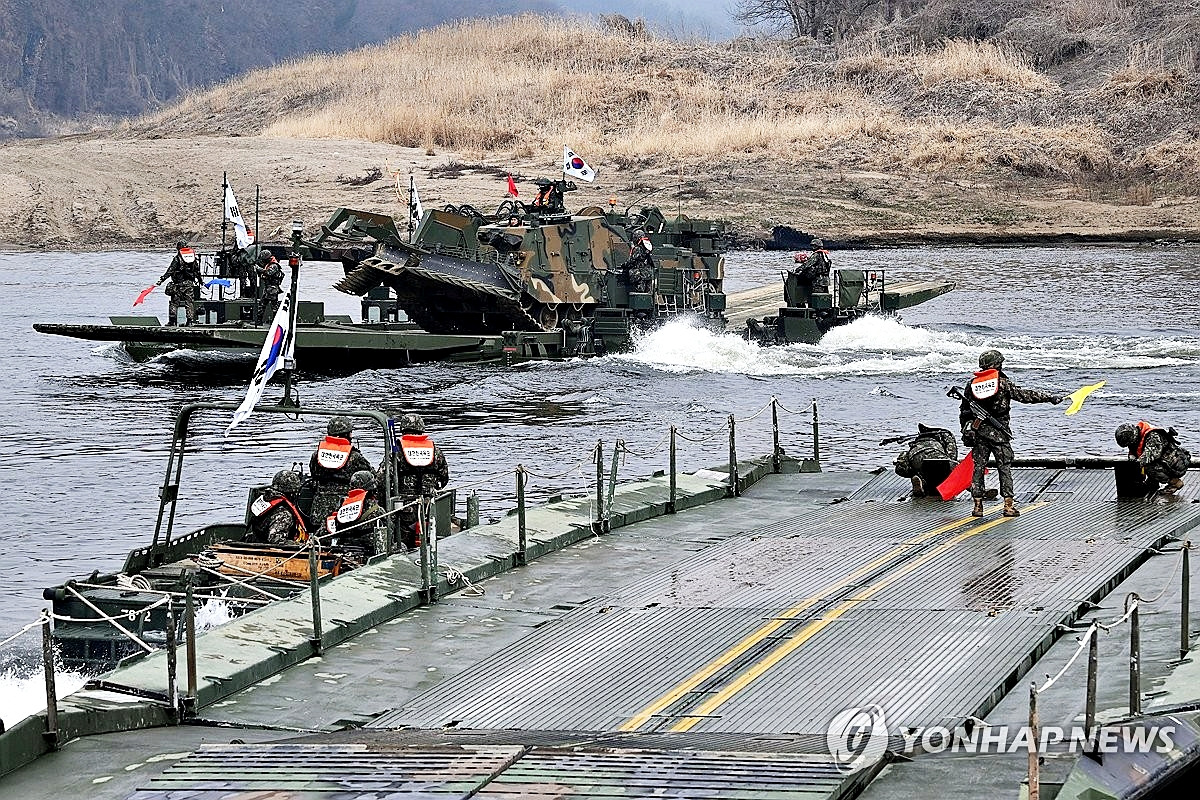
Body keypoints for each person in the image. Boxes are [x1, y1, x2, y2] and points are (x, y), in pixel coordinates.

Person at [959, 349, 1064, 517]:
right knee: (1004, 467)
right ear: (998, 365)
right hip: (999, 433)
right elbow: (1025, 395)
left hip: (979, 433)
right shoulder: (1003, 383)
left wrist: (967, 429)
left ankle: (977, 506)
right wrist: (1049, 397)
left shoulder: (972, 385)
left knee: (978, 468)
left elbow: (964, 411)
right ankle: (1008, 506)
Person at [392, 413, 449, 549]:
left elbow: (383, 479)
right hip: (430, 505)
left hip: (405, 507)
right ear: (422, 429)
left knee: (404, 545)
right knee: (431, 540)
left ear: (403, 429)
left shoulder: (397, 451)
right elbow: (444, 477)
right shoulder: (435, 450)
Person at [309, 416, 373, 527]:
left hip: (318, 509)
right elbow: (369, 476)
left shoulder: (317, 455)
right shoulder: (355, 457)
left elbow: (314, 474)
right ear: (348, 434)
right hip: (344, 509)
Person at [1115, 422, 1190, 495]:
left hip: (1176, 464)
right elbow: (1134, 455)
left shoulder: (1153, 436)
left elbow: (1149, 457)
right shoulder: (1137, 437)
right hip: (1164, 461)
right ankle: (1153, 483)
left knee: (1149, 467)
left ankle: (1175, 483)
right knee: (1143, 465)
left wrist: (1135, 468)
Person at [327, 470, 388, 557]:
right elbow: (388, 536)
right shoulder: (377, 510)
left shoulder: (341, 507)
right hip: (369, 553)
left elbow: (326, 531)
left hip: (342, 549)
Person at [893, 423, 959, 497]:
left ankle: (919, 478)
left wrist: (903, 464)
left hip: (917, 456)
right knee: (948, 469)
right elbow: (952, 454)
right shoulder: (938, 441)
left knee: (909, 467)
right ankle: (963, 483)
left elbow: (900, 467)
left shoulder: (916, 443)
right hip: (938, 457)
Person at [247, 470, 307, 544]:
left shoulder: (265, 500)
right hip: (267, 550)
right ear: (291, 493)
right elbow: (275, 540)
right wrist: (300, 545)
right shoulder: (284, 514)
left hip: (257, 542)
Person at [157, 241, 202, 326]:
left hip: (178, 284)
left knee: (174, 302)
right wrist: (200, 280)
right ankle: (189, 322)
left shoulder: (177, 258)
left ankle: (172, 321)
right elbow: (197, 271)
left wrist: (162, 279)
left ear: (178, 248)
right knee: (189, 302)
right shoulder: (192, 258)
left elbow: (170, 270)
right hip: (189, 284)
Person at [784, 239, 831, 307]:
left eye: (813, 246)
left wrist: (798, 270)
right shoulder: (825, 254)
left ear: (816, 246)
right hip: (826, 280)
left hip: (818, 280)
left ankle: (816, 313)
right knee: (824, 297)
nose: (812, 248)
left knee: (816, 298)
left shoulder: (816, 255)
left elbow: (807, 264)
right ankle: (825, 311)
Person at [257, 250, 285, 324]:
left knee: (274, 307)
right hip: (267, 288)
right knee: (262, 305)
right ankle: (259, 321)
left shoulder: (274, 265)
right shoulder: (268, 264)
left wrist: (258, 268)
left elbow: (268, 273)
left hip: (272, 288)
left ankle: (276, 322)